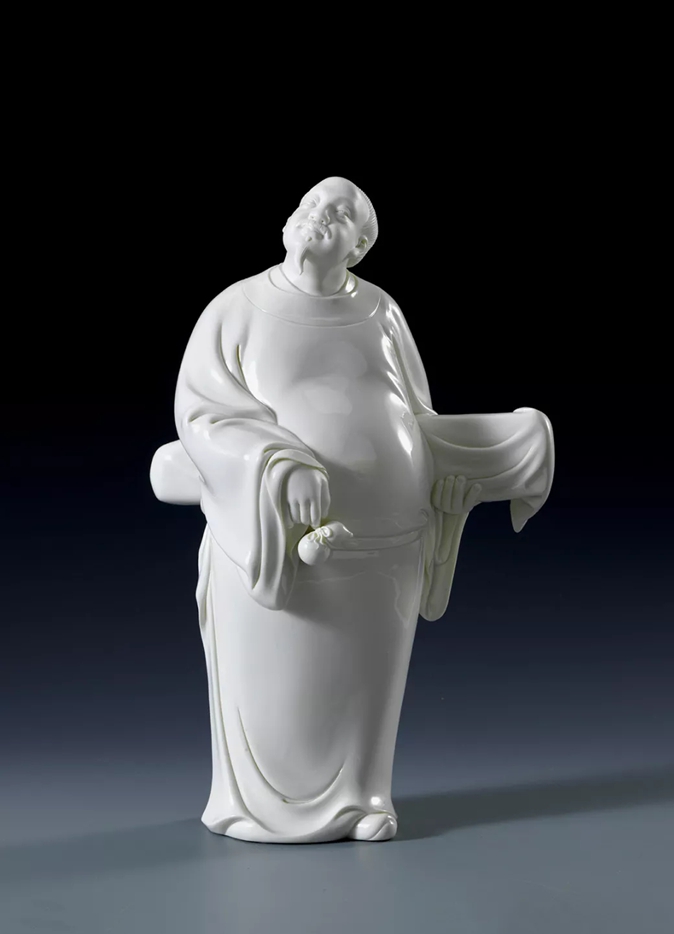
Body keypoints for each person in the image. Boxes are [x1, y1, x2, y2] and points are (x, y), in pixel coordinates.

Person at [150, 176, 554, 843]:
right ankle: (250, 807)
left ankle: (363, 797)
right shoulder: (236, 308)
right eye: (309, 203)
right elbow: (202, 415)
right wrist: (281, 463)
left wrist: (458, 473)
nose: (316, 216)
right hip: (276, 536)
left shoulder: (381, 312)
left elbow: (415, 413)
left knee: (367, 678)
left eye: (337, 213)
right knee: (275, 678)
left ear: (359, 245)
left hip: (386, 541)